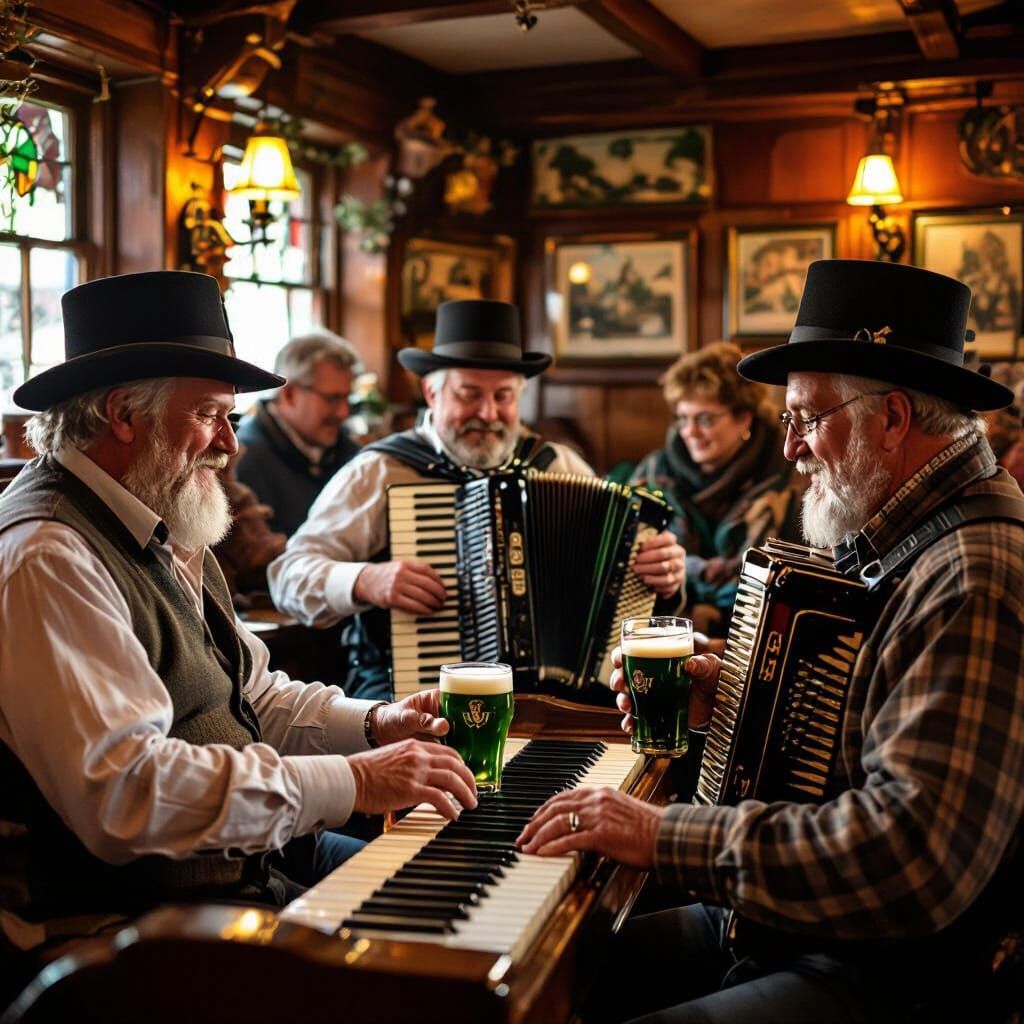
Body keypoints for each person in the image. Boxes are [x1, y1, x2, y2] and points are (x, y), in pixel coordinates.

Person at [516, 260, 1024, 1023]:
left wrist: (662, 834)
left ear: (891, 417)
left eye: (806, 419)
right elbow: (858, 723)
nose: (790, 450)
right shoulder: (904, 532)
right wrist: (727, 696)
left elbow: (911, 857)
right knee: (537, 971)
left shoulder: (972, 576)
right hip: (792, 926)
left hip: (895, 974)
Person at [0, 271, 477, 998]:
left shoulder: (161, 520)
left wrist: (373, 724)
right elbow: (125, 792)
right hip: (124, 935)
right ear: (122, 412)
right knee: (446, 979)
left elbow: (251, 695)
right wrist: (353, 781)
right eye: (211, 415)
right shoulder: (48, 556)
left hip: (241, 869)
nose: (229, 442)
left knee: (460, 888)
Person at [269, 299, 687, 700]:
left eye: (503, 396)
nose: (487, 413)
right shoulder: (380, 471)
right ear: (432, 395)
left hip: (551, 699)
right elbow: (288, 576)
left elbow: (616, 587)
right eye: (469, 394)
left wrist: (662, 576)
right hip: (416, 697)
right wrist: (364, 580)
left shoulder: (557, 463)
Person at [630, 341, 802, 636]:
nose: (689, 432)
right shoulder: (652, 474)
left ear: (743, 418)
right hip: (663, 634)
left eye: (705, 419)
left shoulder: (787, 478)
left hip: (757, 639)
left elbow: (791, 585)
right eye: (682, 419)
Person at [235, 330, 361, 537]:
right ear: (290, 394)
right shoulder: (244, 460)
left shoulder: (349, 450)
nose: (344, 412)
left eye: (348, 398)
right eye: (332, 399)